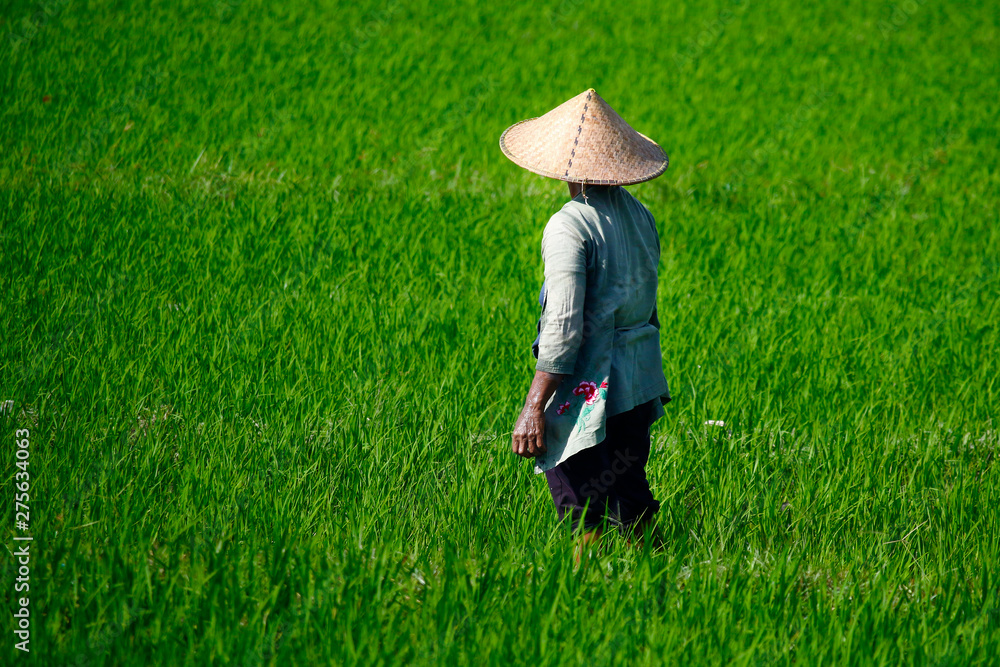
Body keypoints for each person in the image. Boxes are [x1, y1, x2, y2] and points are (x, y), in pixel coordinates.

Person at [499, 89, 672, 551]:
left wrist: (534, 405)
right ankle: (657, 579)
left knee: (577, 499)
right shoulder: (642, 217)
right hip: (638, 383)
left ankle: (585, 591)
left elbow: (562, 326)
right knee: (629, 493)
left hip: (588, 386)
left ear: (567, 166)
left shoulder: (569, 225)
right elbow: (647, 306)